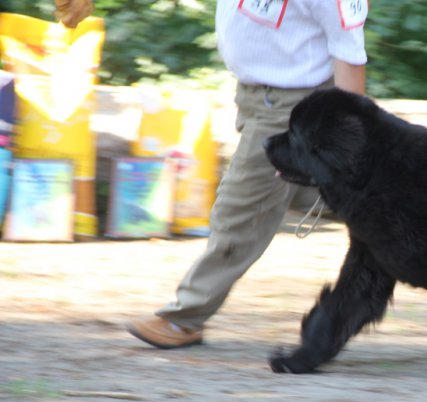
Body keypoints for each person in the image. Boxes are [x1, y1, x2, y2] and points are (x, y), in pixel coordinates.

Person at [56, 0, 368, 348]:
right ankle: (421, 232)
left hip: (292, 108)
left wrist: (343, 136)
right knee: (344, 200)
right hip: (254, 97)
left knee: (239, 212)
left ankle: (184, 318)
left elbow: (350, 56)